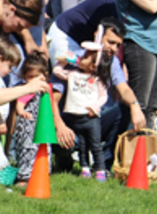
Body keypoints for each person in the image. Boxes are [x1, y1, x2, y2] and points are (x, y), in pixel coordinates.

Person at [50, 16, 146, 171]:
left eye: (118, 45)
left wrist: (135, 106)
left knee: (125, 109)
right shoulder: (74, 59)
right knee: (68, 142)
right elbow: (52, 99)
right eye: (111, 42)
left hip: (92, 121)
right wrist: (59, 126)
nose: (114, 49)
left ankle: (104, 165)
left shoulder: (112, 62)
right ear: (98, 35)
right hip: (68, 122)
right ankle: (64, 158)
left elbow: (124, 89)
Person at [52, 43, 111, 182]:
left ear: (93, 66)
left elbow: (104, 96)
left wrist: (95, 107)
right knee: (83, 145)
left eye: (85, 57)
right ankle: (85, 168)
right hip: (74, 115)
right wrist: (65, 59)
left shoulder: (97, 80)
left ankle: (100, 169)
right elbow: (57, 71)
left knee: (95, 145)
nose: (80, 58)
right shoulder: (73, 74)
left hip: (90, 117)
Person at [11, 53, 50, 186]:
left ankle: (42, 173)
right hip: (28, 127)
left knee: (43, 149)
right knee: (27, 150)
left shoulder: (46, 89)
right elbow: (20, 104)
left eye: (36, 76)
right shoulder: (27, 89)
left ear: (44, 75)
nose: (33, 80)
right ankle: (24, 177)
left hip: (42, 126)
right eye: (29, 77)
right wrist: (22, 112)